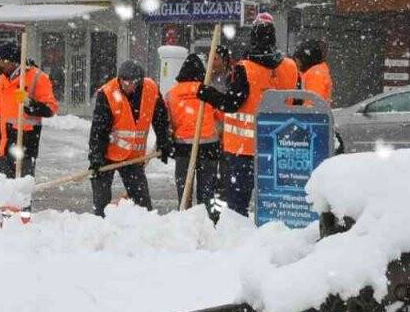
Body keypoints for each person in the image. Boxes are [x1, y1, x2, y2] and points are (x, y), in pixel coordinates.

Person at [197, 14, 299, 216]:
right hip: (278, 148)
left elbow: (232, 103)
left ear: (253, 38)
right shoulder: (290, 67)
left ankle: (236, 240)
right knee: (275, 204)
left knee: (237, 206)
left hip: (243, 151)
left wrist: (208, 94)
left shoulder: (245, 69)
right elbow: (298, 103)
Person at [88, 61, 171, 215]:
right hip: (107, 155)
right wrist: (95, 157)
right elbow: (98, 130)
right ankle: (100, 229)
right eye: (123, 81)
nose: (126, 85)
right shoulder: (107, 93)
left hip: (133, 158)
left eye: (130, 82)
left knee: (142, 204)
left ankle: (143, 229)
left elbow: (160, 119)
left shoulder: (151, 89)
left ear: (139, 81)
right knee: (101, 204)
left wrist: (163, 141)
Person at [0, 43, 58, 177]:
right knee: (3, 190)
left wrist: (29, 103)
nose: (0, 65)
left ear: (14, 62)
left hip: (25, 145)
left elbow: (50, 109)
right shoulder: (3, 79)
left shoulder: (37, 77)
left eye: (3, 61)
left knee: (21, 191)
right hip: (4, 146)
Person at [165, 53, 222, 209]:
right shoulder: (207, 91)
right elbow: (221, 116)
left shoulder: (171, 94)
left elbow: (166, 123)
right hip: (209, 146)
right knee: (208, 190)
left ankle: (185, 218)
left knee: (184, 189)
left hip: (183, 147)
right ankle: (210, 219)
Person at [293, 39, 333, 104]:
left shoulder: (314, 75)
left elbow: (313, 106)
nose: (296, 63)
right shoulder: (314, 71)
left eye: (299, 60)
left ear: (306, 59)